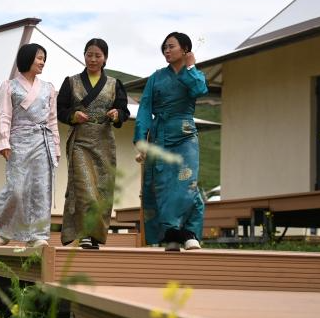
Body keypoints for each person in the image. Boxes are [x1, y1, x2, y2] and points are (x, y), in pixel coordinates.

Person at [134, 32, 208, 251]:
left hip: (185, 134)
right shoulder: (156, 77)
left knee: (187, 181)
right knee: (162, 185)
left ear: (185, 49)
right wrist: (141, 139)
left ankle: (186, 231)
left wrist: (191, 67)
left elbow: (199, 90)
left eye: (171, 47)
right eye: (164, 47)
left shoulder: (194, 74)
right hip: (160, 135)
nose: (167, 51)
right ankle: (173, 234)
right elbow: (145, 108)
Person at [58, 38, 130, 249]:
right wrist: (73, 115)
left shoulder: (114, 84)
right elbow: (60, 109)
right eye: (89, 54)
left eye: (98, 55)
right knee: (85, 188)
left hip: (104, 141)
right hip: (80, 140)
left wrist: (117, 114)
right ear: (84, 55)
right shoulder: (71, 82)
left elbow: (123, 111)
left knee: (101, 190)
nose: (93, 59)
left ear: (105, 58)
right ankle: (85, 234)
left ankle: (96, 235)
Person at [0, 43, 60, 248]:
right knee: (17, 188)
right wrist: (3, 140)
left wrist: (55, 146)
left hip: (42, 140)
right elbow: (4, 115)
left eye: (44, 59)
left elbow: (52, 119)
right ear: (27, 58)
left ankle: (38, 235)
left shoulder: (48, 88)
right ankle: (4, 226)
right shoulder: (9, 86)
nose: (42, 62)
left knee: (41, 187)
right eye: (39, 58)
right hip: (18, 140)